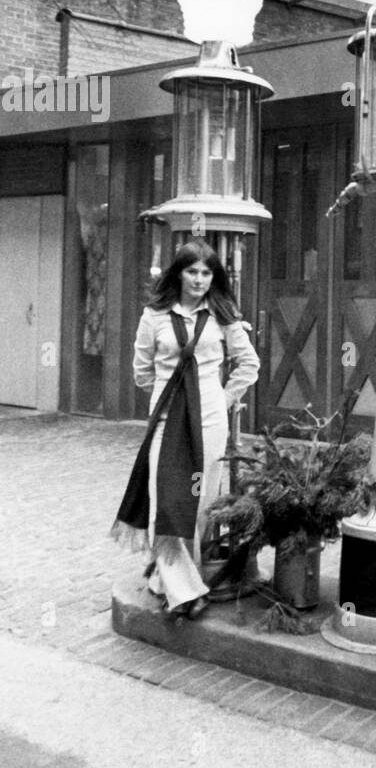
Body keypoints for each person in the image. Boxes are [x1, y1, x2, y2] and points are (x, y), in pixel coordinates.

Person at [111, 240, 260, 617]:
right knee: (167, 502)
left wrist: (222, 399)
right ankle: (185, 590)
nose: (199, 279)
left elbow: (249, 364)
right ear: (178, 273)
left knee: (200, 501)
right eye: (191, 271)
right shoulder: (154, 316)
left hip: (209, 419)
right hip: (166, 417)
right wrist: (171, 394)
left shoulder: (223, 314)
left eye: (206, 272)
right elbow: (141, 371)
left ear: (214, 277)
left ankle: (174, 582)